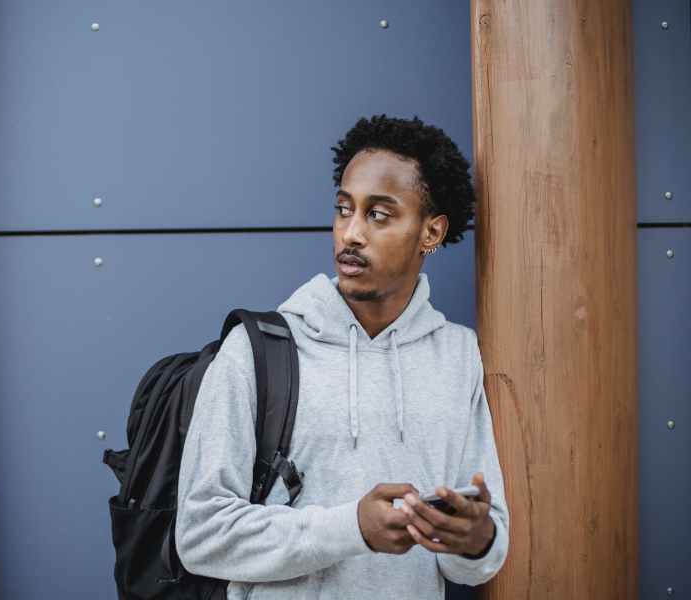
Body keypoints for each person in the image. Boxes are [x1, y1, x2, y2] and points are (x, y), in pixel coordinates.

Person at [176, 114, 510, 599]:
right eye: (343, 209)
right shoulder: (258, 349)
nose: (350, 233)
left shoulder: (457, 355)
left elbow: (474, 564)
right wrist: (350, 528)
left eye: (378, 214)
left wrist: (477, 541)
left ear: (431, 232)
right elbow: (200, 534)